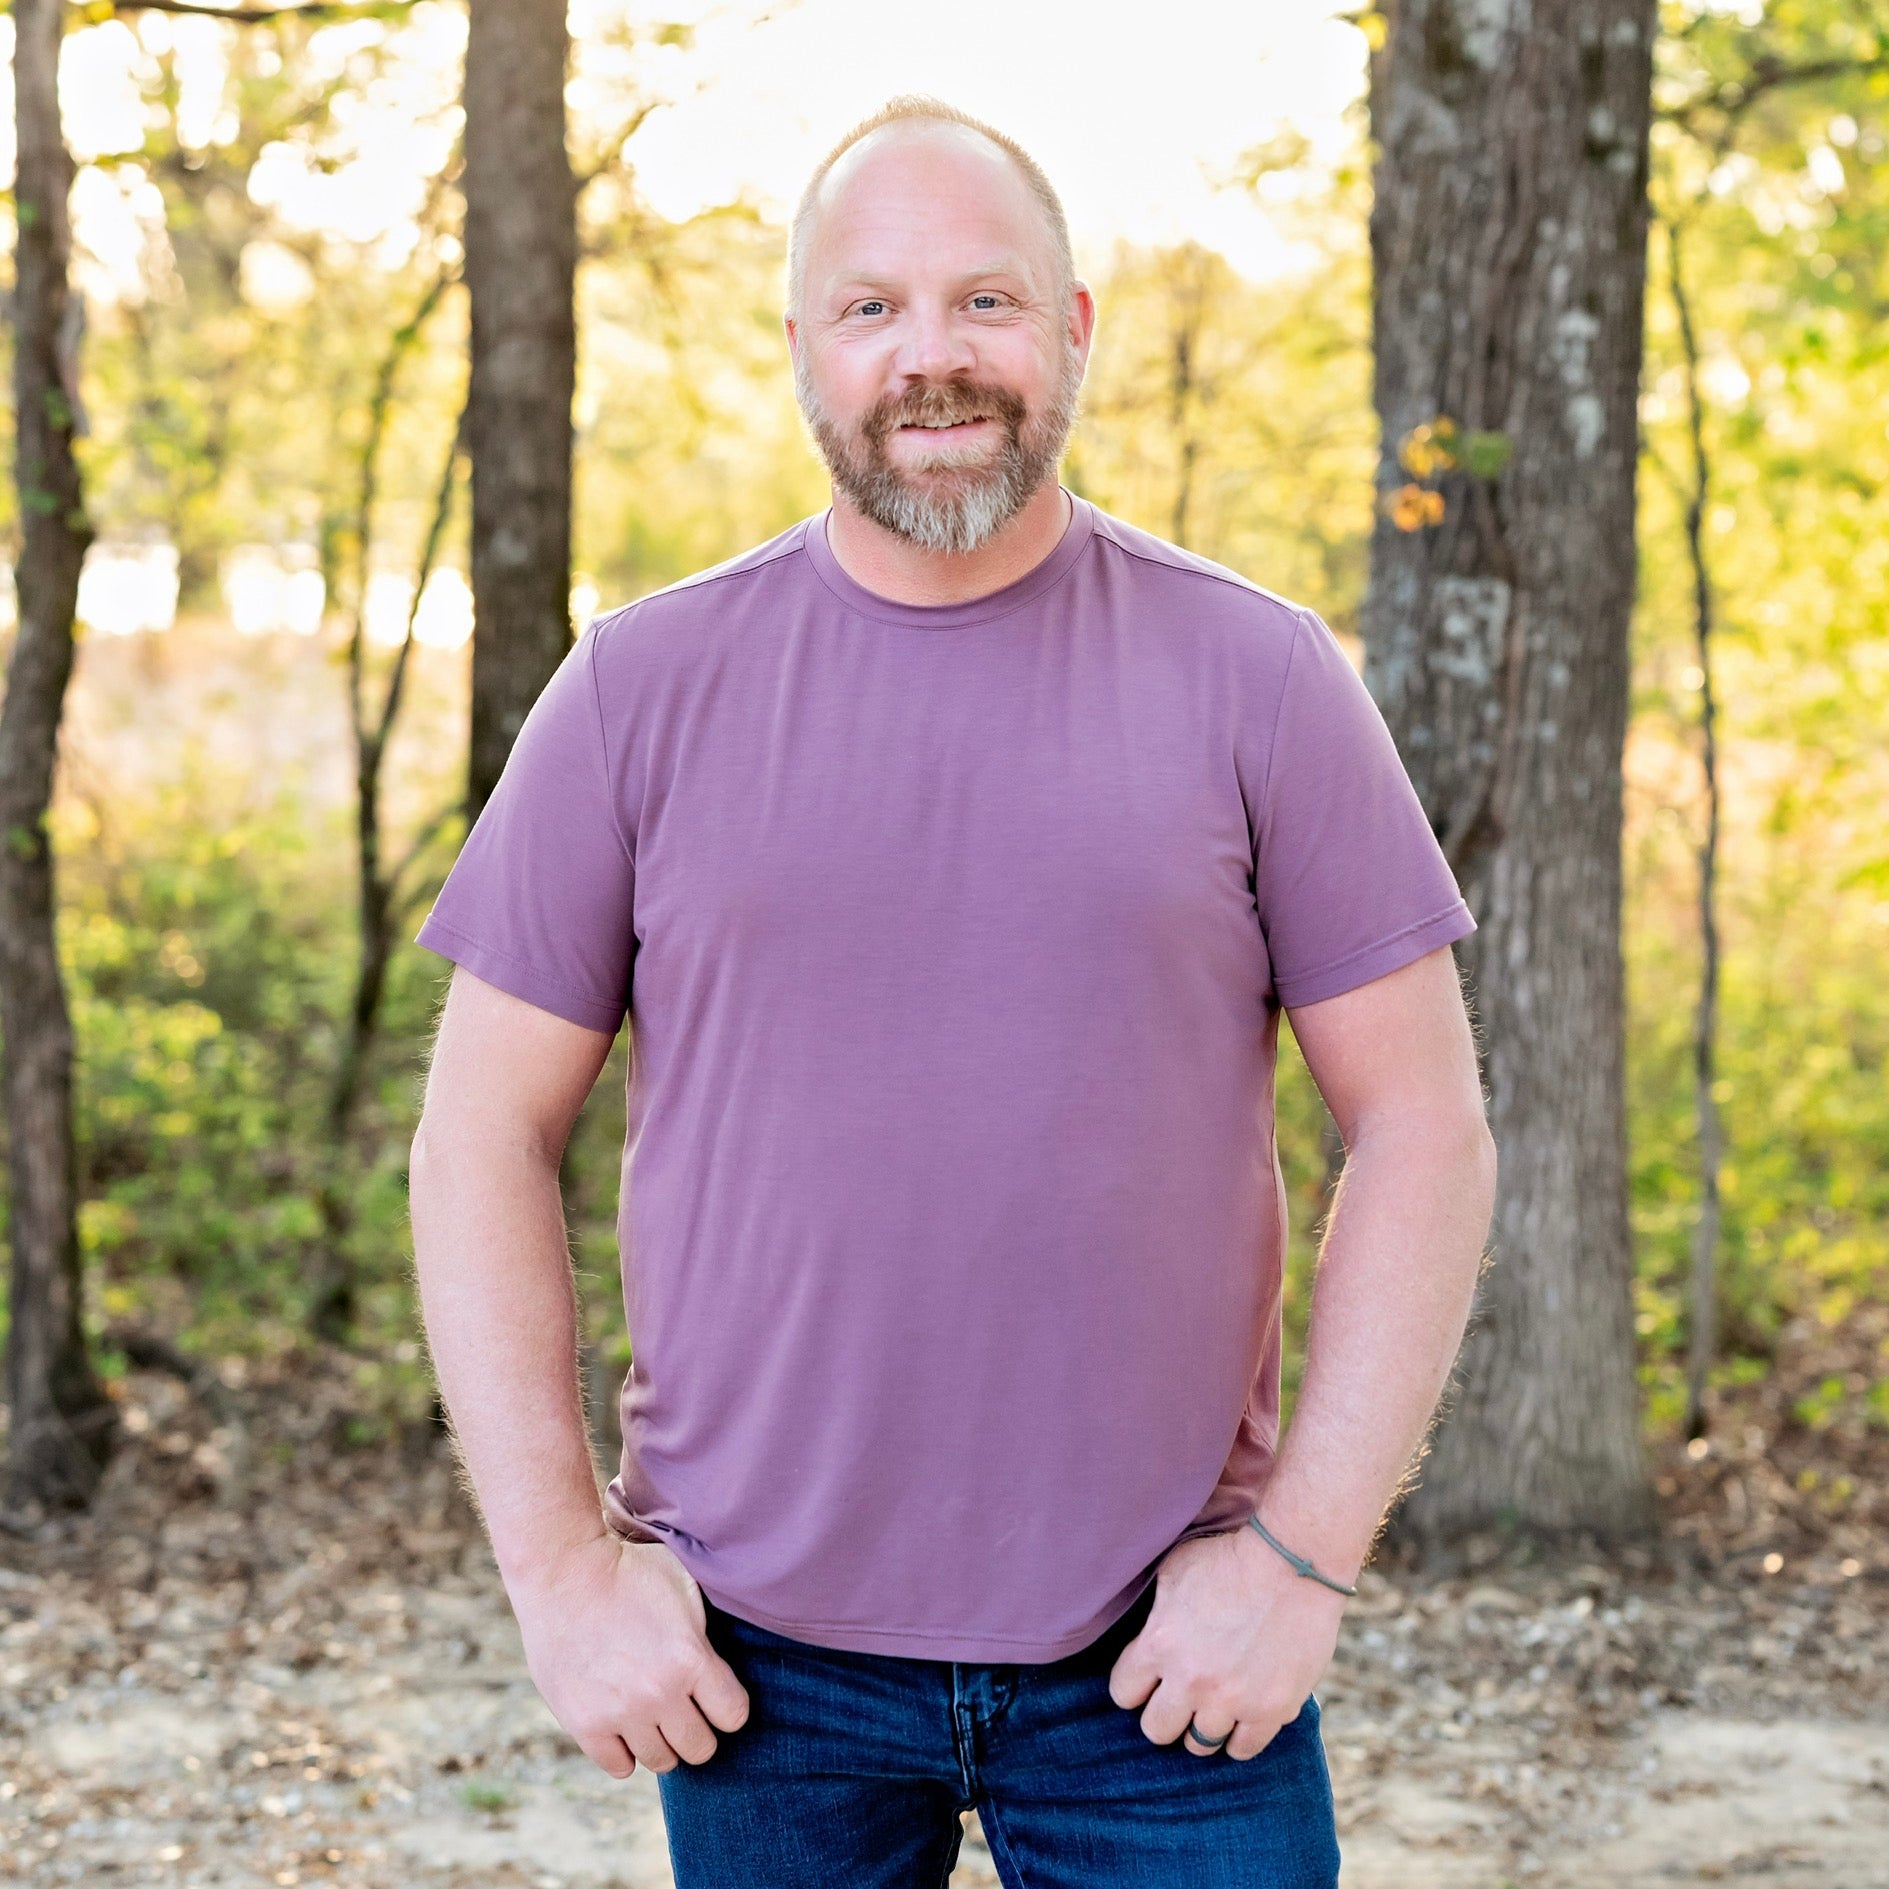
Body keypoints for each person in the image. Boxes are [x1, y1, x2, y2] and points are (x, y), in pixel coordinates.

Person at [408, 94, 1497, 1889]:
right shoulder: (637, 691)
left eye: (986, 301)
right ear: (799, 352)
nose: (931, 357)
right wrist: (557, 1572)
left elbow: (1426, 1126)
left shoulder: (1259, 675)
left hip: (1167, 1668)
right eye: (871, 308)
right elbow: (476, 1138)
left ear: (1072, 328)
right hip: (756, 1670)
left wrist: (1301, 1560)